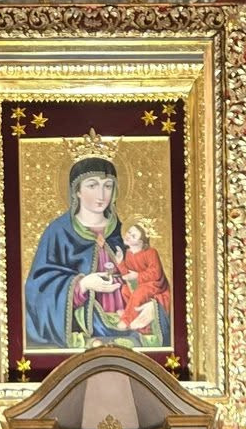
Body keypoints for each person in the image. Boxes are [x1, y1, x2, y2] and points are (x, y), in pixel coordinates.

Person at [23, 148, 171, 352]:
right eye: (92, 185)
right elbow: (37, 290)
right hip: (82, 328)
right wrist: (82, 285)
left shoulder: (125, 233)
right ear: (77, 190)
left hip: (131, 324)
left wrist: (155, 308)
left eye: (108, 186)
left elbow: (157, 281)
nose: (102, 195)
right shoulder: (58, 232)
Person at [115, 223, 172, 335]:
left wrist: (138, 276)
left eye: (133, 236)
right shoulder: (129, 253)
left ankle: (126, 320)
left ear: (141, 242)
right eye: (129, 232)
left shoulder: (151, 252)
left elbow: (156, 273)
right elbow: (127, 274)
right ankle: (131, 314)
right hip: (139, 284)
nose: (128, 236)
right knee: (125, 290)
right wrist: (120, 262)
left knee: (139, 293)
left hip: (155, 285)